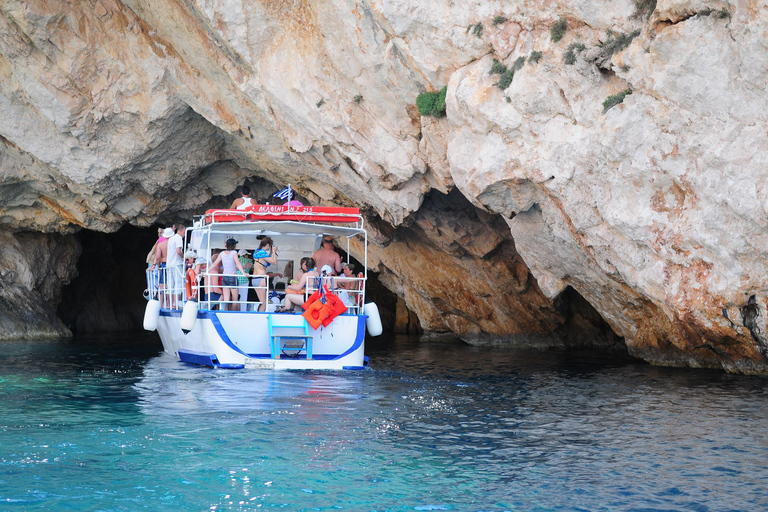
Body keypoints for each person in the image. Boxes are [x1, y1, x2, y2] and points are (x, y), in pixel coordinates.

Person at [211, 239, 247, 311]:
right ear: (234, 246)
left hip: (225, 277)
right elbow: (238, 263)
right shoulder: (234, 253)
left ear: (226, 245)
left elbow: (215, 263)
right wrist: (244, 273)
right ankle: (232, 314)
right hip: (233, 277)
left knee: (226, 299)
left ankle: (225, 313)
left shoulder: (221, 253)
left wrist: (206, 271)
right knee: (235, 300)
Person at [251, 237, 278, 312]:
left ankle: (258, 314)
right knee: (264, 302)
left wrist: (271, 252)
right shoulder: (263, 253)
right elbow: (274, 262)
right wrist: (274, 251)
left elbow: (265, 259)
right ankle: (260, 317)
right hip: (261, 278)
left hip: (254, 279)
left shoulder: (256, 252)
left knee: (261, 301)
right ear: (268, 245)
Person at [150, 227, 173, 307]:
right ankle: (171, 304)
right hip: (173, 265)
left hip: (164, 265)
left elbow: (157, 257)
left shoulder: (161, 244)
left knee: (162, 284)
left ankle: (160, 303)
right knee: (172, 285)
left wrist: (154, 265)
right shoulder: (173, 243)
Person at [166, 226, 186, 309]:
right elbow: (178, 251)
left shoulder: (171, 238)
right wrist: (183, 257)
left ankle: (169, 304)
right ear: (180, 231)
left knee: (170, 285)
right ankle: (175, 304)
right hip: (176, 264)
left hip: (169, 264)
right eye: (184, 232)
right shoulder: (178, 238)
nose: (184, 234)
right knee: (178, 284)